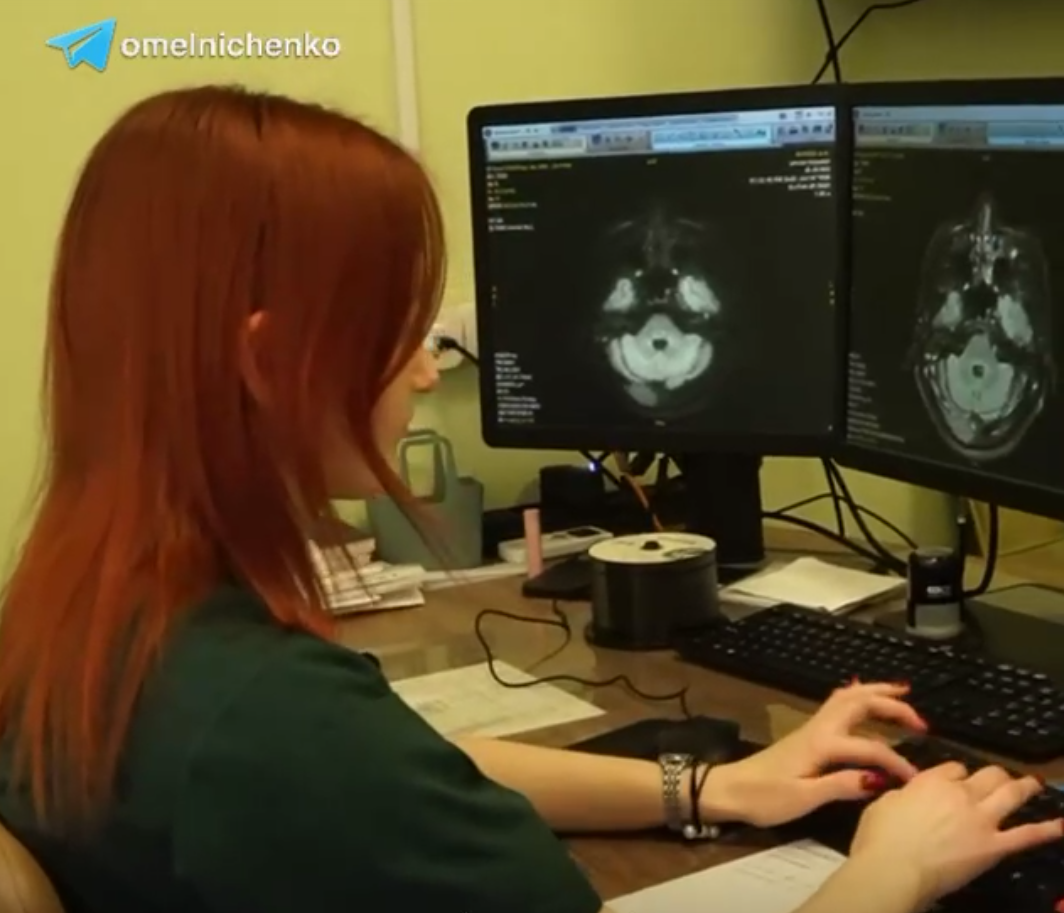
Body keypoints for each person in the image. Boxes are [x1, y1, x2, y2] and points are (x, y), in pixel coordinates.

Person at [0, 85, 1057, 913]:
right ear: (271, 362)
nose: (426, 371)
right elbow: (344, 770)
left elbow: (409, 771)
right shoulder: (277, 728)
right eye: (398, 329)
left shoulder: (85, 625)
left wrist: (706, 785)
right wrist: (894, 869)